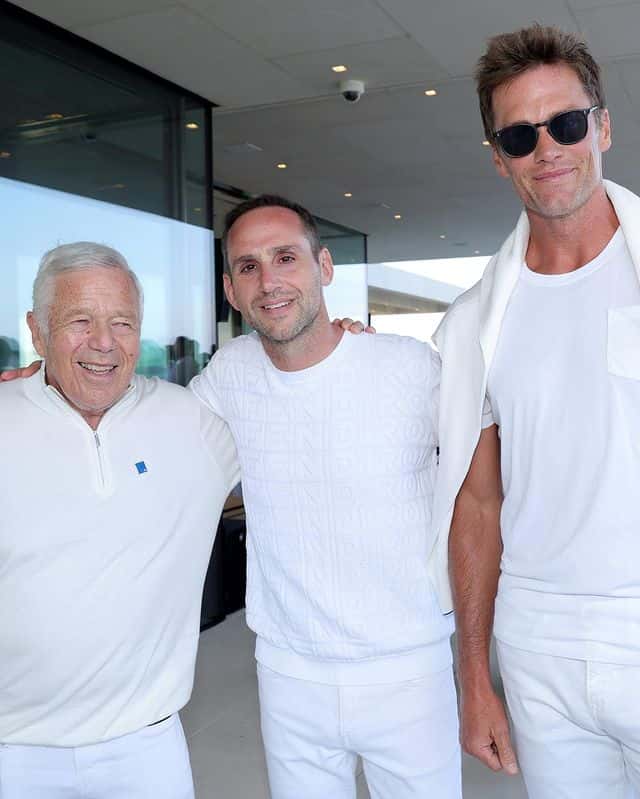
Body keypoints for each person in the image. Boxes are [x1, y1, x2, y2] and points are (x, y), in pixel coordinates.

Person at [189, 195, 462, 799]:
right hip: (288, 674)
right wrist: (45, 385)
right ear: (230, 291)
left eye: (285, 257)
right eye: (248, 266)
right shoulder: (228, 375)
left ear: (325, 267)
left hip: (407, 668)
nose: (269, 281)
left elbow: (488, 481)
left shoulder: (413, 368)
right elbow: (149, 422)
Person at [432, 23, 640, 799]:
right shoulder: (473, 322)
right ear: (498, 156)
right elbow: (476, 505)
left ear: (604, 126)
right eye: (520, 135)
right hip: (539, 642)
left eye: (567, 123)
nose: (547, 148)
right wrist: (474, 677)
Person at [0, 242, 239, 798]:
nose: (104, 342)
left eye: (122, 322)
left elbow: (299, 407)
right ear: (36, 331)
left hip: (147, 747)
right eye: (79, 321)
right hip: (12, 752)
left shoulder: (192, 423)